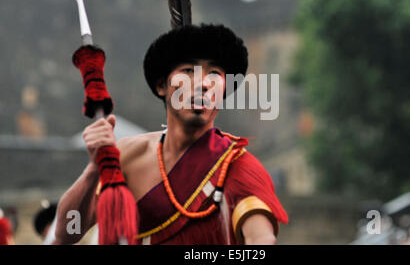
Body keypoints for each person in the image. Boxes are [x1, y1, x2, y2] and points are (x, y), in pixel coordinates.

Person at [54, 24, 288, 245]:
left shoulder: (237, 167)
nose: (203, 83)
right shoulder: (126, 155)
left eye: (214, 73)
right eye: (188, 70)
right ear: (161, 86)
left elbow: (261, 244)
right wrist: (94, 170)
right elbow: (69, 233)